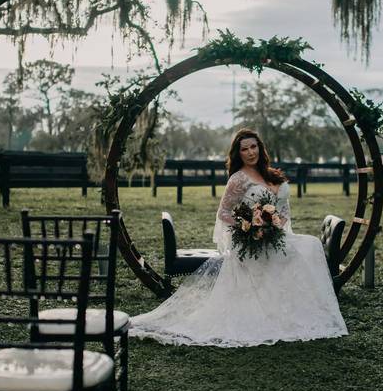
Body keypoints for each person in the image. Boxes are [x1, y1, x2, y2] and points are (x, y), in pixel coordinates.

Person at [130, 128, 348, 346]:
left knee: (310, 244)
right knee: (308, 246)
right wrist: (249, 226)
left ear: (260, 148)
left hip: (273, 236)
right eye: (245, 149)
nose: (251, 152)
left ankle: (302, 310)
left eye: (254, 147)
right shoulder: (239, 178)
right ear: (239, 153)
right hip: (252, 241)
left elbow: (284, 214)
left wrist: (275, 224)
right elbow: (223, 213)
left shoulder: (272, 175)